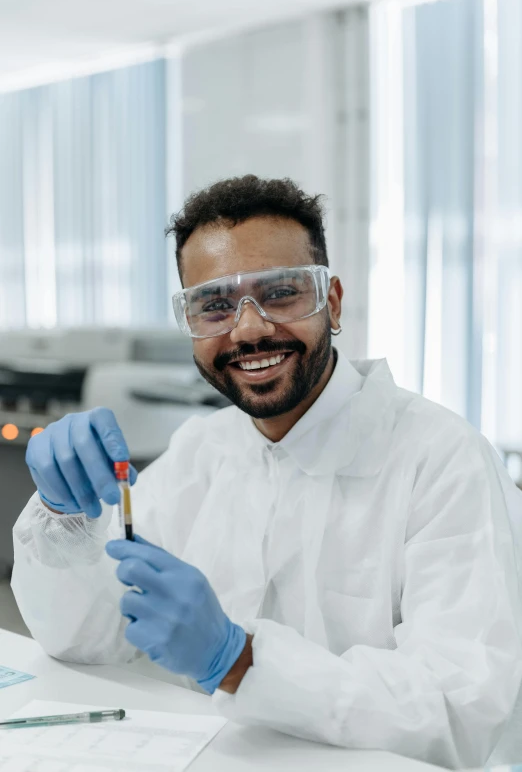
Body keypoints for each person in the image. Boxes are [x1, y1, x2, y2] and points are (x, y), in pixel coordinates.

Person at [11, 175, 522, 770]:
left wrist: (240, 660)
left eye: (280, 294)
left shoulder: (441, 458)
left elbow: (460, 711)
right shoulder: (201, 451)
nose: (248, 329)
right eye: (215, 305)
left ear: (331, 302)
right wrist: (63, 521)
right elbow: (86, 639)